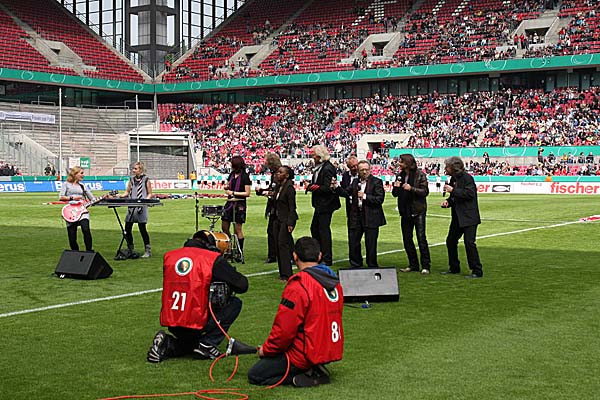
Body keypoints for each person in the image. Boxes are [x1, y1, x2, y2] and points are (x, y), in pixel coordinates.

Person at [248, 237, 344, 387]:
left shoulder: (299, 286)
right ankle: (313, 367)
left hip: (304, 353)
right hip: (329, 348)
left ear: (295, 256)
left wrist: (266, 350)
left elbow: (284, 331)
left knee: (256, 374)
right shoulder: (335, 283)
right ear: (319, 256)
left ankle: (306, 376)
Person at [147, 230, 249, 363]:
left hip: (173, 321)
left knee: (189, 345)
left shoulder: (170, 257)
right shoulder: (211, 259)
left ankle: (168, 343)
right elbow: (242, 285)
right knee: (235, 303)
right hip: (197, 319)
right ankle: (208, 343)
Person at [334, 160, 386, 268]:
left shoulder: (376, 182)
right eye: (362, 170)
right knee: (353, 241)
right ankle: (355, 264)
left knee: (371, 243)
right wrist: (336, 187)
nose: (364, 172)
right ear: (358, 170)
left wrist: (365, 196)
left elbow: (379, 199)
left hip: (371, 216)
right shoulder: (355, 182)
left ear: (370, 170)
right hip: (356, 215)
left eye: (366, 169)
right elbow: (345, 192)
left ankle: (372, 265)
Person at [440, 156, 483, 279]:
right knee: (451, 241)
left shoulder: (467, 178)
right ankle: (454, 267)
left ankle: (477, 270)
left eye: (447, 167)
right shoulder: (453, 179)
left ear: (454, 167)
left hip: (469, 217)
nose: (445, 169)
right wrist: (448, 202)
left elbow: (469, 194)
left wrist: (453, 190)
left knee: (469, 243)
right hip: (458, 217)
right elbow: (455, 197)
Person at [393, 154, 431, 275]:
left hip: (418, 210)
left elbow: (425, 191)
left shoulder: (420, 175)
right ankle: (413, 264)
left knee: (421, 238)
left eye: (401, 161)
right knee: (407, 239)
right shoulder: (400, 175)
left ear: (407, 163)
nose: (399, 164)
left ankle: (426, 265)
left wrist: (411, 189)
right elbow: (395, 194)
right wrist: (396, 187)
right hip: (405, 211)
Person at [306, 145, 340, 266]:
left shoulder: (327, 168)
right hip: (321, 204)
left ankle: (326, 257)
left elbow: (327, 188)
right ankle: (321, 255)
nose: (313, 158)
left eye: (314, 156)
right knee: (316, 229)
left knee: (323, 230)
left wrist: (311, 187)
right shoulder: (321, 167)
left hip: (326, 204)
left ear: (320, 156)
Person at [59, 166, 96, 251]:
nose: (83, 175)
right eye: (81, 173)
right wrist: (72, 198)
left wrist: (104, 198)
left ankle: (89, 251)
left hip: (83, 212)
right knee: (72, 235)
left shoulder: (83, 186)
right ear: (75, 174)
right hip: (71, 211)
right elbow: (61, 197)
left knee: (86, 230)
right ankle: (75, 252)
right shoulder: (66, 184)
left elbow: (92, 199)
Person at [120, 161, 153, 258]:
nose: (133, 170)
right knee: (127, 229)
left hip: (141, 208)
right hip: (131, 207)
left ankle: (147, 250)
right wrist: (120, 196)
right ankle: (130, 248)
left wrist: (145, 201)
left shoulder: (146, 180)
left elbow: (149, 193)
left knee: (142, 229)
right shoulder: (131, 180)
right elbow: (127, 192)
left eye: (135, 169)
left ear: (141, 170)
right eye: (133, 168)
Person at [222, 156, 251, 259]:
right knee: (224, 227)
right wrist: (226, 188)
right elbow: (228, 186)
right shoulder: (231, 175)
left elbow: (247, 193)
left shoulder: (245, 177)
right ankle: (229, 248)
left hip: (239, 205)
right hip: (229, 203)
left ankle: (239, 251)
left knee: (237, 229)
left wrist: (233, 193)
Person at [255, 152, 282, 264]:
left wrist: (265, 192)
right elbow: (272, 189)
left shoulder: (277, 175)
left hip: (278, 207)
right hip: (275, 206)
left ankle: (273, 255)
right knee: (275, 231)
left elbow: (276, 191)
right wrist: (262, 191)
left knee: (273, 231)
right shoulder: (275, 174)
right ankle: (278, 254)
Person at [273, 166, 298, 280]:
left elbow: (292, 207)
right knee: (278, 245)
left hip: (286, 219)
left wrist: (290, 223)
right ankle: (282, 272)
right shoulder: (279, 187)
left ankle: (287, 273)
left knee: (283, 245)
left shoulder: (289, 188)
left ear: (287, 175)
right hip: (278, 219)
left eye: (280, 172)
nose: (277, 174)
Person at [337, 156, 359, 264]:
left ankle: (371, 262)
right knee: (352, 236)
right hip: (351, 209)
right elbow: (344, 191)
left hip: (364, 208)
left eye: (356, 165)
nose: (355, 168)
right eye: (352, 166)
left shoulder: (363, 174)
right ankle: (354, 261)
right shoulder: (345, 176)